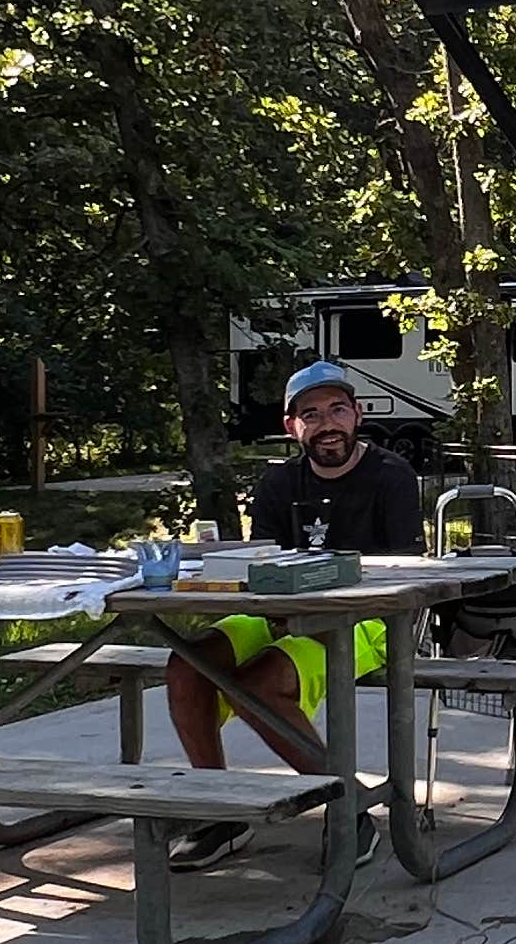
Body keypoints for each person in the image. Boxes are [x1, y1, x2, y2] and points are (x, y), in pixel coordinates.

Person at [163, 362, 423, 859]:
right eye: (312, 414)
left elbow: (407, 572)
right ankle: (221, 812)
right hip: (280, 610)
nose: (328, 424)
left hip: (368, 618)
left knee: (260, 683)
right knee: (187, 665)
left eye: (337, 410)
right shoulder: (278, 482)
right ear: (291, 426)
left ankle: (348, 811)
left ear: (358, 414)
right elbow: (262, 563)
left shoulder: (392, 475)